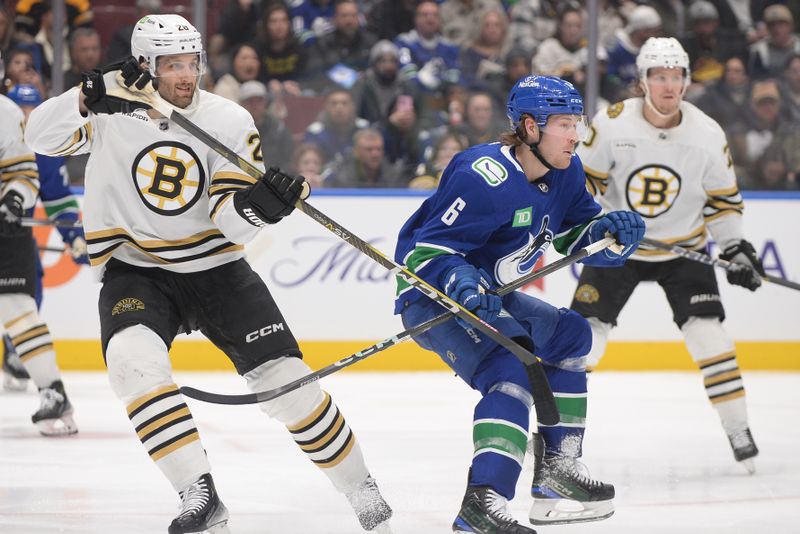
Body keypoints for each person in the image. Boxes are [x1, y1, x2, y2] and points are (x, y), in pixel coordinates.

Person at [24, 14, 392, 534]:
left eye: (191, 62)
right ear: (144, 65)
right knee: (132, 364)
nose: (185, 75)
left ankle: (362, 489)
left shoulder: (228, 119)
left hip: (218, 269)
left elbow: (227, 223)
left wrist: (258, 208)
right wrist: (84, 97)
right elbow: (39, 136)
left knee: (289, 388)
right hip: (138, 269)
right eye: (171, 65)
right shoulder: (109, 110)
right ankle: (199, 493)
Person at [394, 74, 646, 533]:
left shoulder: (566, 170)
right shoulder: (481, 176)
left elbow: (578, 238)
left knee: (574, 336)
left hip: (496, 298)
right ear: (530, 128)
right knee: (511, 371)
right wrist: (464, 285)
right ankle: (482, 502)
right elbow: (425, 255)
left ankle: (557, 472)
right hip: (434, 300)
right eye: (564, 123)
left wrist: (612, 236)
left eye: (577, 122)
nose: (576, 134)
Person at [573, 37, 763, 474]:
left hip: (684, 248)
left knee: (710, 338)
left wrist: (735, 246)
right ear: (643, 82)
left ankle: (738, 429)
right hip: (620, 244)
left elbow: (722, 202)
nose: (668, 84)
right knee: (584, 338)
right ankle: (556, 432)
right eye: (659, 76)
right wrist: (593, 226)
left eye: (676, 75)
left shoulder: (707, 134)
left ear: (687, 80)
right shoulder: (613, 123)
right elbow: (585, 186)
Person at [0, 81, 79, 436]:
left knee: (17, 309)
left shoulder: (5, 112)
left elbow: (24, 173)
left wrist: (13, 200)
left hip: (5, 231)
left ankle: (53, 392)